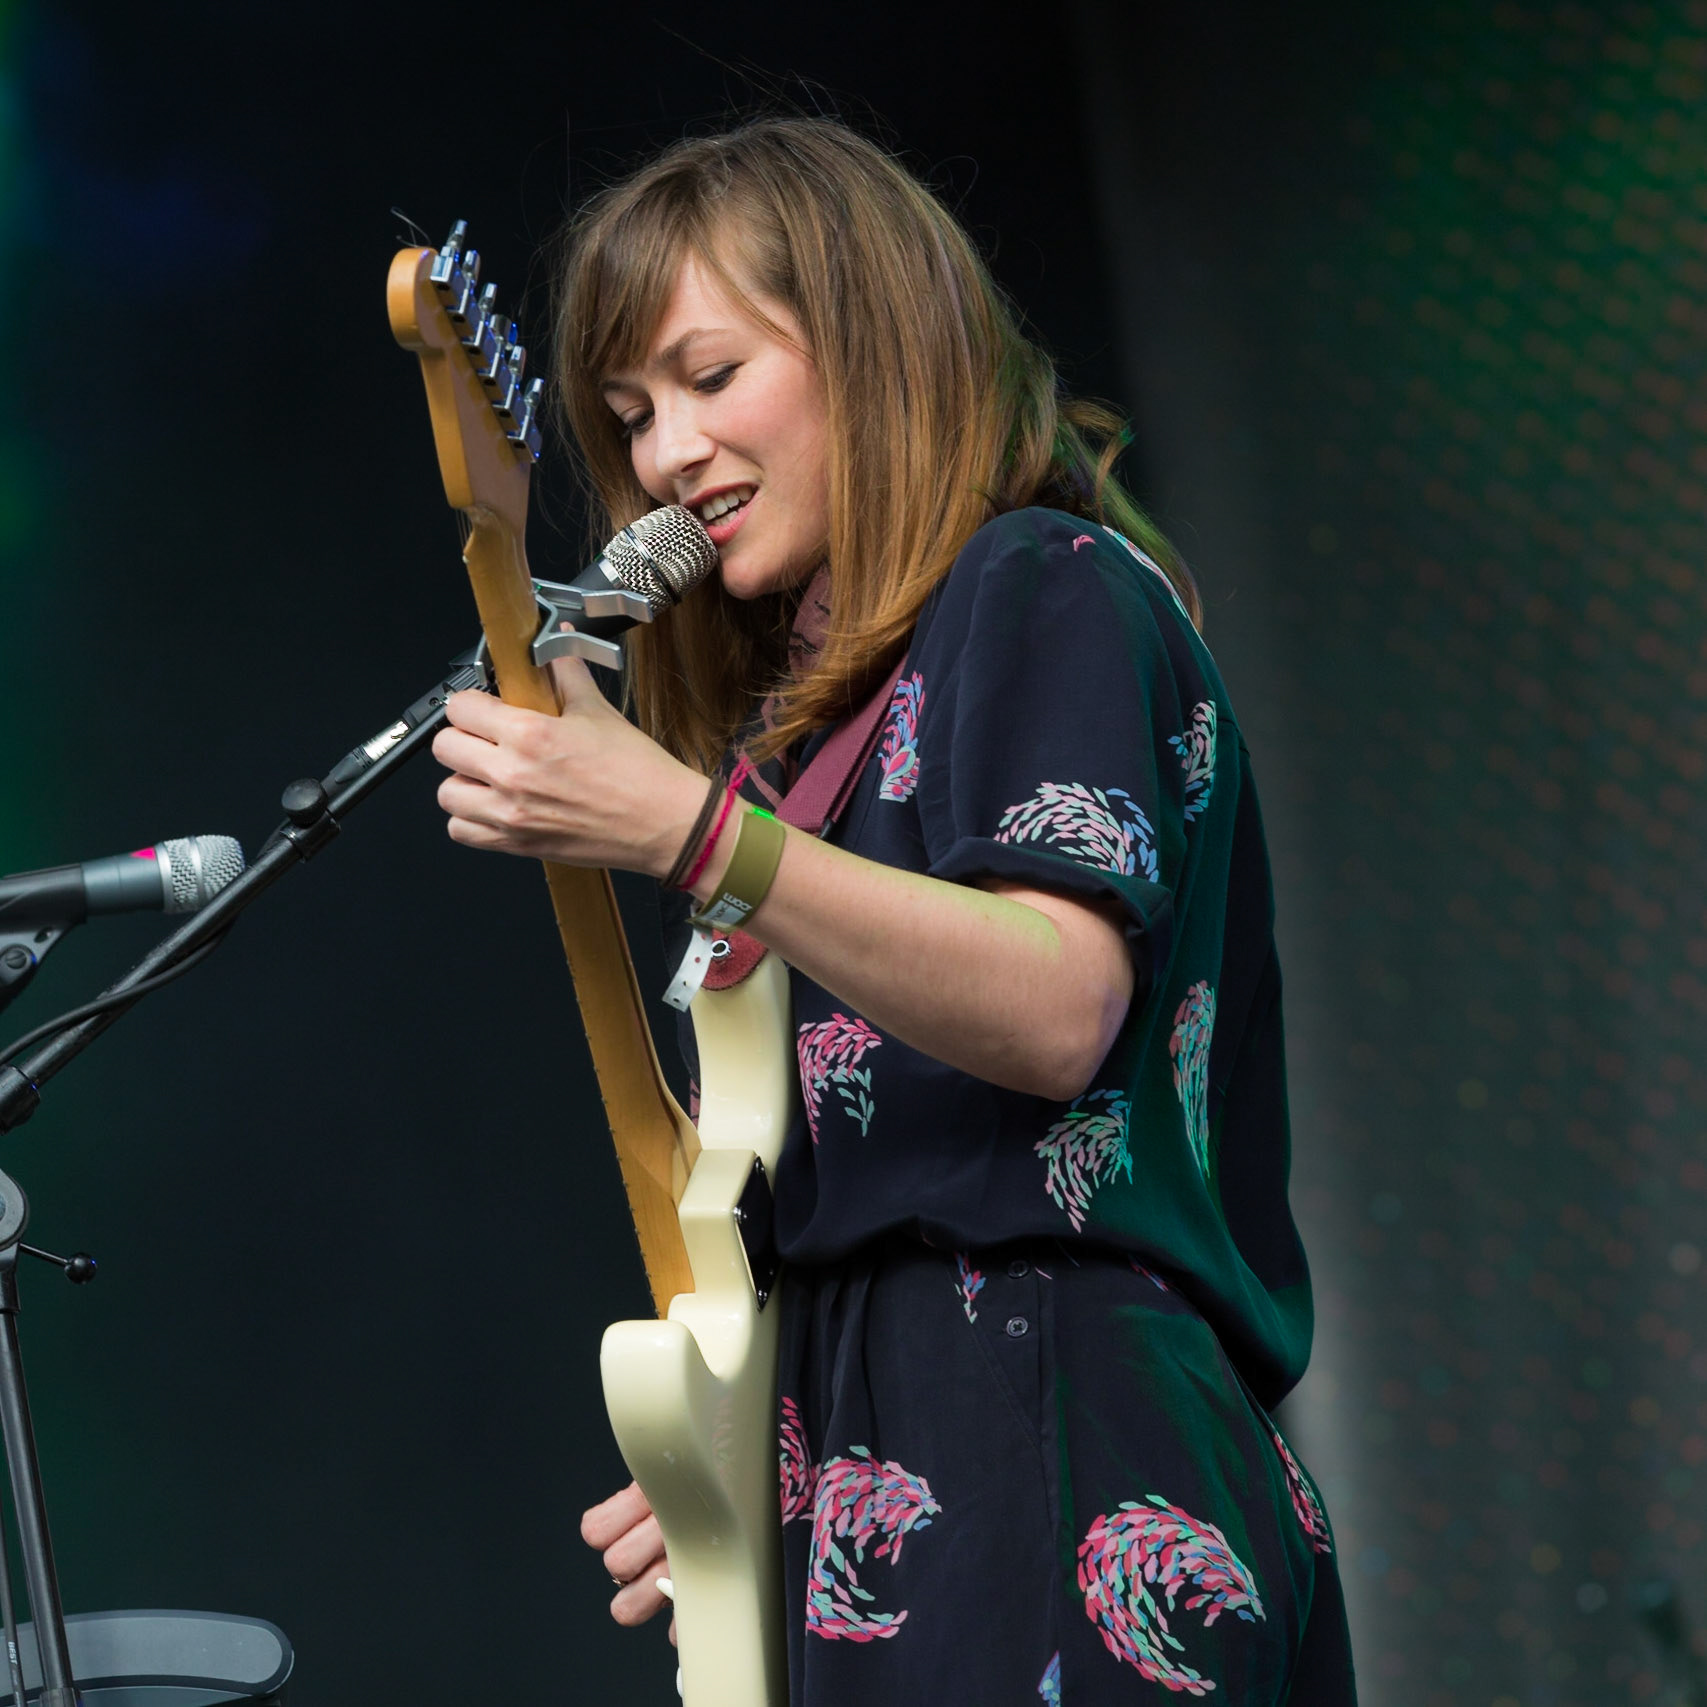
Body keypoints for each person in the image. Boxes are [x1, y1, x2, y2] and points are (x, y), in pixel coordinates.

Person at [431, 117, 1356, 1706]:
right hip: (902, 1466)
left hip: (1067, 1446)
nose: (663, 457)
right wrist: (758, 1451)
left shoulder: (1042, 580)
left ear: (879, 341)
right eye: (633, 416)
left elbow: (1057, 1006)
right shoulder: (815, 745)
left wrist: (687, 828)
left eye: (711, 379)